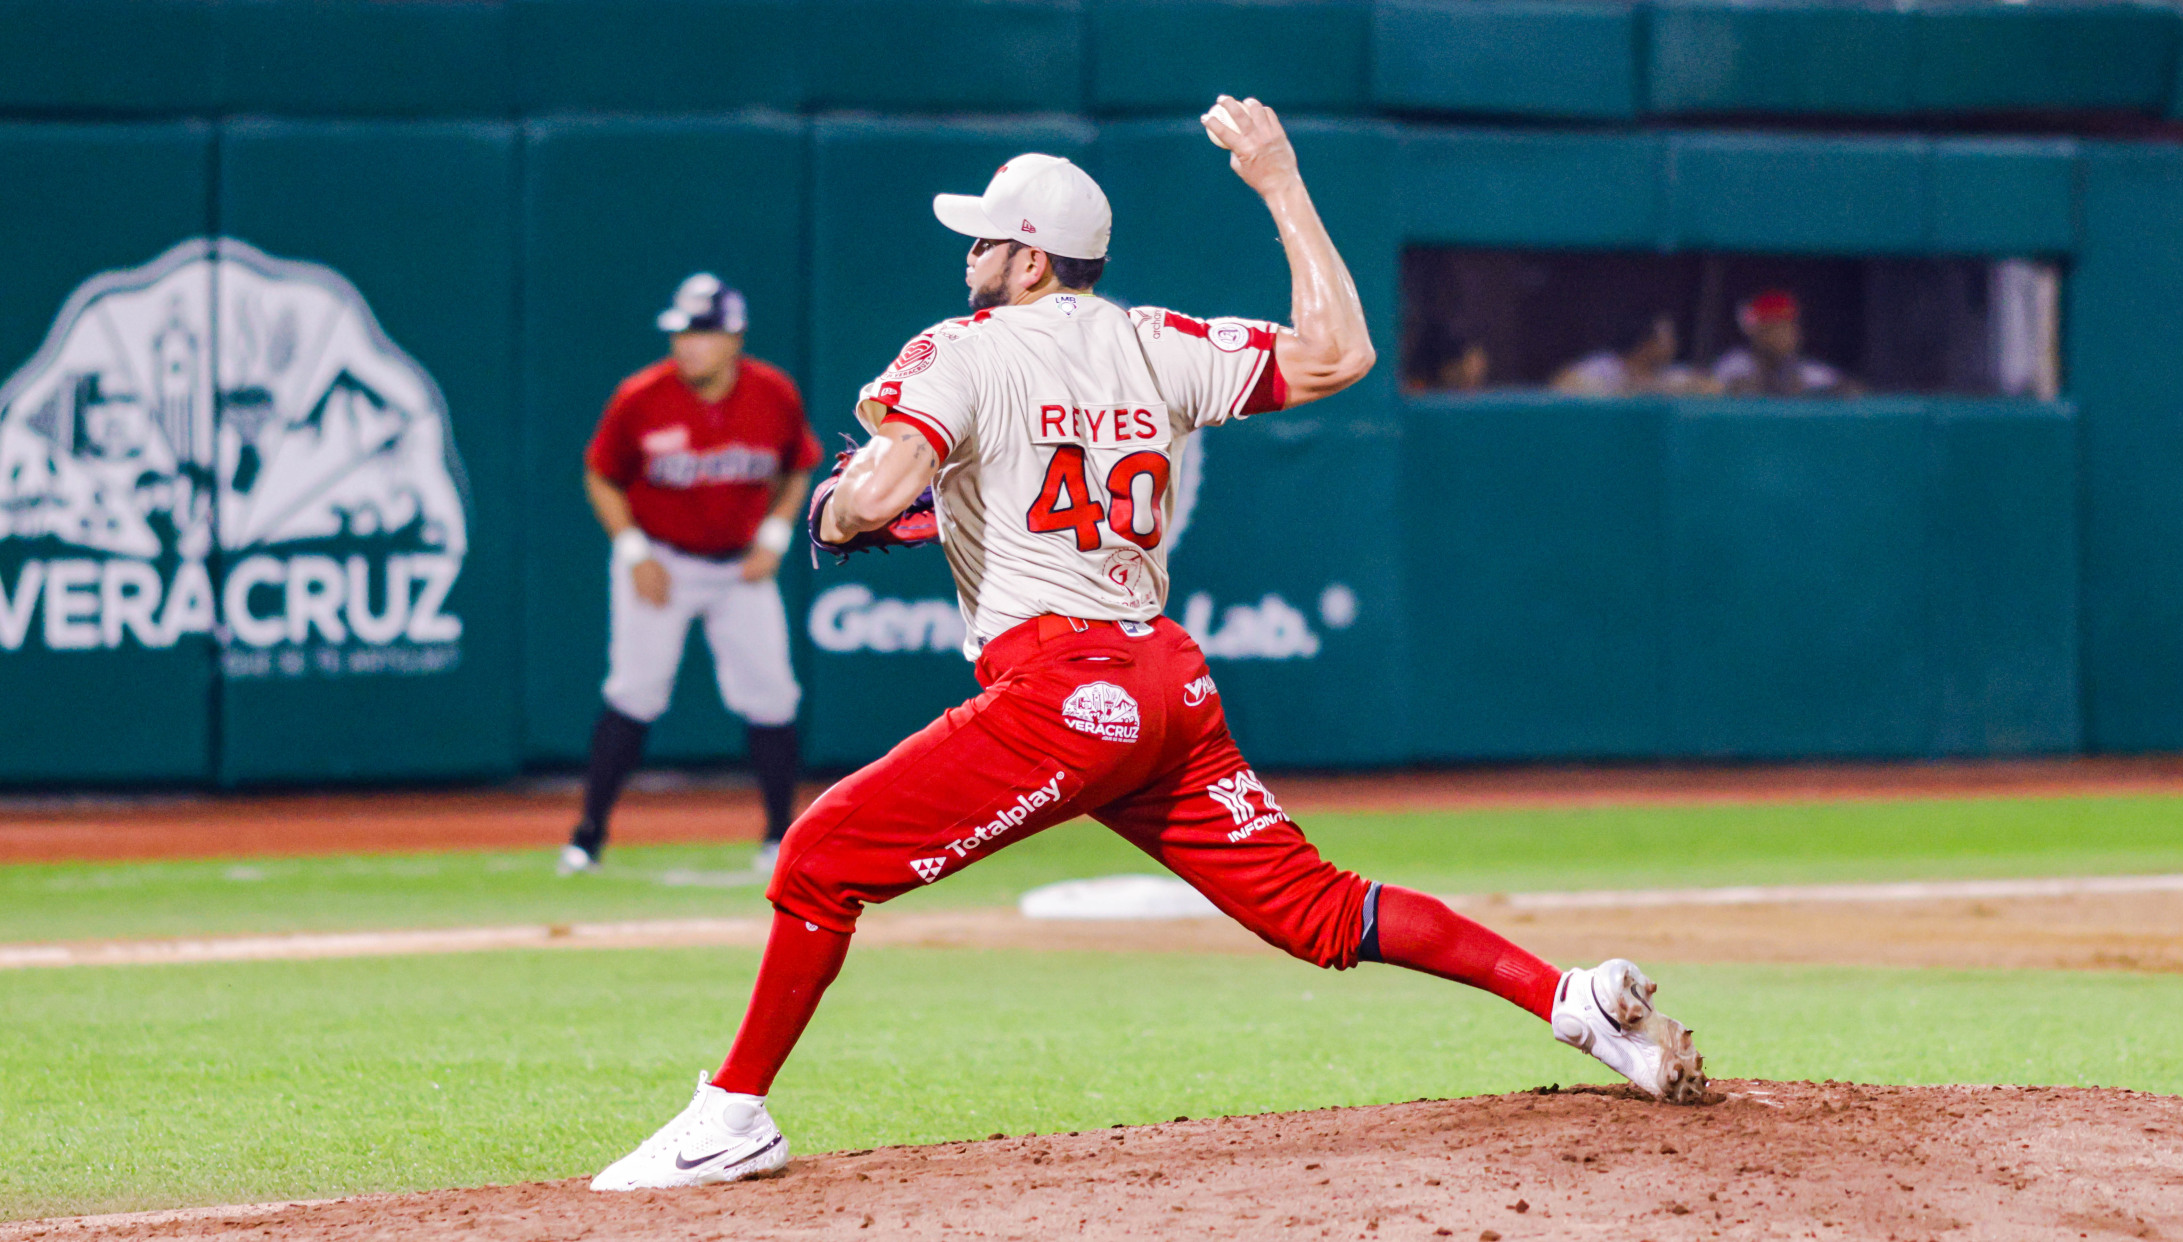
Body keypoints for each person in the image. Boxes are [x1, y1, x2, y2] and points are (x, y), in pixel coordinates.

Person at [586, 99, 1707, 1193]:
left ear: (1031, 259)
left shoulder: (960, 349)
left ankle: (731, 1118)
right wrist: (1279, 182)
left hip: (1063, 692)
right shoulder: (1153, 340)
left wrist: (837, 512)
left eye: (985, 239)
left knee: (817, 861)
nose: (969, 255)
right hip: (1167, 685)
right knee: (1318, 907)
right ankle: (1571, 1001)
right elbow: (1339, 353)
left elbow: (877, 492)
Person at [560, 274, 823, 878]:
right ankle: (587, 837)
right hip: (664, 560)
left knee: (772, 694)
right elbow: (600, 474)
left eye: (702, 333)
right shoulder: (642, 395)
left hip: (739, 567)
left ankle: (779, 837)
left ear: (734, 338)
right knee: (635, 691)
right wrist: (634, 552)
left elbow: (798, 465)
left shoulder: (772, 392)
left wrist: (775, 536)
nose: (688, 345)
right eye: (681, 333)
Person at [1710, 290, 1851, 397]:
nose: (1783, 336)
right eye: (1774, 328)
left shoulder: (1808, 371)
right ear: (1757, 333)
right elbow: (1712, 387)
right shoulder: (1734, 364)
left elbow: (1849, 390)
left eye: (1788, 327)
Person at [1551, 315, 1714, 396]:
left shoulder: (1670, 374)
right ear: (1646, 342)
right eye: (1667, 338)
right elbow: (1559, 384)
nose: (1673, 343)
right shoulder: (1606, 366)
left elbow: (1714, 389)